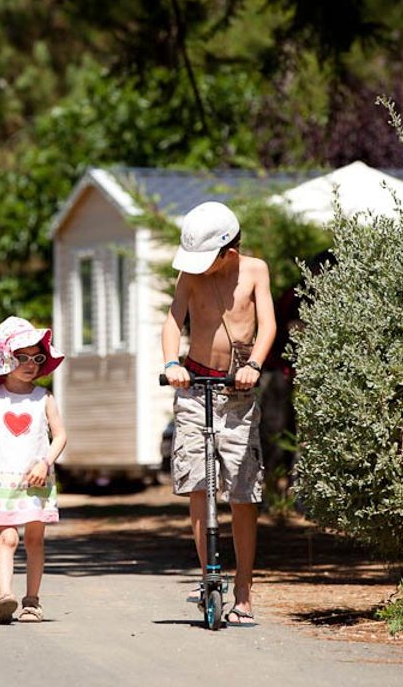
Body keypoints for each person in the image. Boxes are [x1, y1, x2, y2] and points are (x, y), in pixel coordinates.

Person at [161, 201, 276, 625]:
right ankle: (209, 572)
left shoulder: (255, 271)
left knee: (244, 491)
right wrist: (172, 363)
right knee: (197, 479)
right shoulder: (190, 275)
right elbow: (174, 321)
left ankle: (243, 589)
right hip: (195, 387)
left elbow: (267, 325)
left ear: (228, 251)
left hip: (238, 392)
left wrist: (254, 366)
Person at [0, 316, 67, 625]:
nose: (30, 364)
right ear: (5, 358)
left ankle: (32, 601)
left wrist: (45, 462)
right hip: (4, 481)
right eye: (22, 357)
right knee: (7, 538)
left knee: (34, 540)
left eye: (37, 357)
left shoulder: (44, 398)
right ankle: (5, 595)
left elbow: (60, 435)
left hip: (37, 480)